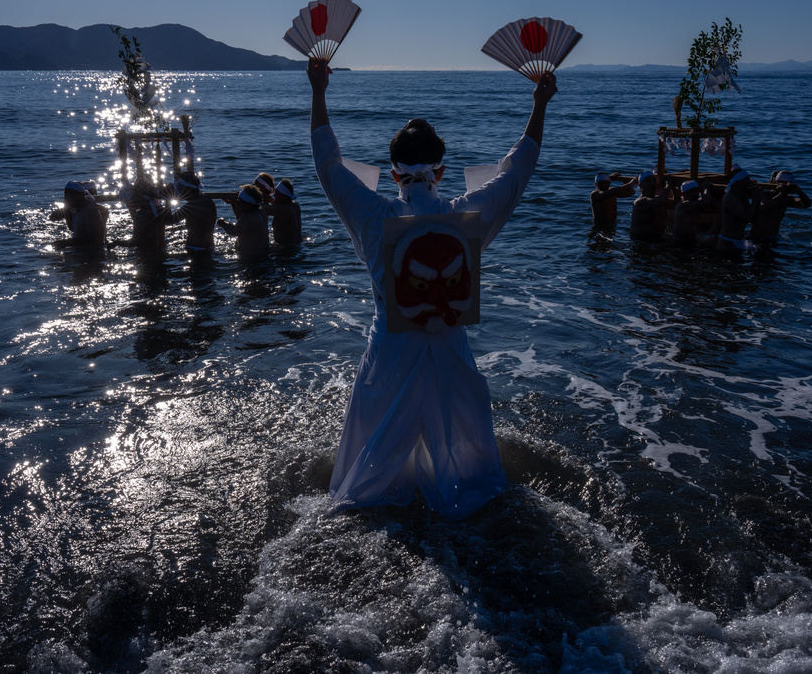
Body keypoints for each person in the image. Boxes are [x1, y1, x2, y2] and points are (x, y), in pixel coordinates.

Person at [307, 56, 557, 519]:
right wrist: (539, 104)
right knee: (470, 471)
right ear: (440, 173)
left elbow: (327, 164)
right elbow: (516, 173)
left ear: (393, 173)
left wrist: (318, 92)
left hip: (390, 350)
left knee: (372, 468)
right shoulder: (465, 217)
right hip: (448, 348)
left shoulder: (374, 216)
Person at [749, 170, 812, 244]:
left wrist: (798, 190)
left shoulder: (787, 199)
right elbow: (764, 207)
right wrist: (782, 194)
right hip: (756, 237)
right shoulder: (764, 194)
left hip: (773, 237)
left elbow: (807, 204)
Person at [109, 178, 168, 253]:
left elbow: (135, 241)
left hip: (147, 254)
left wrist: (116, 243)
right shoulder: (160, 209)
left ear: (139, 196)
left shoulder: (141, 215)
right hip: (162, 251)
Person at [169, 171, 219, 254]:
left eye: (179, 187)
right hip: (210, 246)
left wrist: (167, 201)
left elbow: (169, 220)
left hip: (194, 248)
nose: (178, 190)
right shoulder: (209, 201)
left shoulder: (190, 207)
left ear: (186, 189)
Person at [51, 181, 106, 251]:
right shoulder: (75, 210)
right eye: (65, 195)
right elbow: (74, 229)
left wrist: (67, 242)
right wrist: (66, 213)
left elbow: (94, 237)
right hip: (80, 251)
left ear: (80, 196)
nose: (66, 199)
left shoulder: (91, 211)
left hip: (93, 253)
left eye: (70, 195)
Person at [218, 184, 269, 261]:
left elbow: (234, 231)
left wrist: (223, 223)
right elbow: (241, 222)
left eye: (239, 201)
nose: (237, 203)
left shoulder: (249, 217)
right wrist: (233, 203)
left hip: (251, 258)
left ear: (247, 204)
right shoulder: (261, 211)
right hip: (262, 253)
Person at [716, 169, 761, 252]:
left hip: (741, 241)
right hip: (728, 243)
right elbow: (745, 218)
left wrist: (758, 200)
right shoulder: (729, 198)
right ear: (737, 183)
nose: (749, 183)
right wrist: (755, 200)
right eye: (746, 181)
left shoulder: (743, 197)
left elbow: (754, 220)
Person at [630, 171, 673, 240]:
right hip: (641, 239)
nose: (652, 183)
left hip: (657, 238)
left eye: (654, 181)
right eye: (648, 181)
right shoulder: (639, 202)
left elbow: (676, 203)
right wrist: (668, 184)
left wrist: (673, 187)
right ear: (640, 185)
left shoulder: (657, 199)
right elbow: (661, 200)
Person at [673, 179, 715, 245]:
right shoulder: (682, 206)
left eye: (697, 190)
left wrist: (709, 193)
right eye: (692, 191)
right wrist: (706, 188)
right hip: (680, 243)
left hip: (691, 241)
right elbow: (706, 201)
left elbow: (714, 210)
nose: (696, 193)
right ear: (683, 194)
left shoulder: (694, 205)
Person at [265, 178, 302, 246]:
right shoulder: (295, 205)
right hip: (297, 245)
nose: (274, 195)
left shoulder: (282, 209)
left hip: (285, 249)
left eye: (277, 193)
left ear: (284, 196)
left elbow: (261, 208)